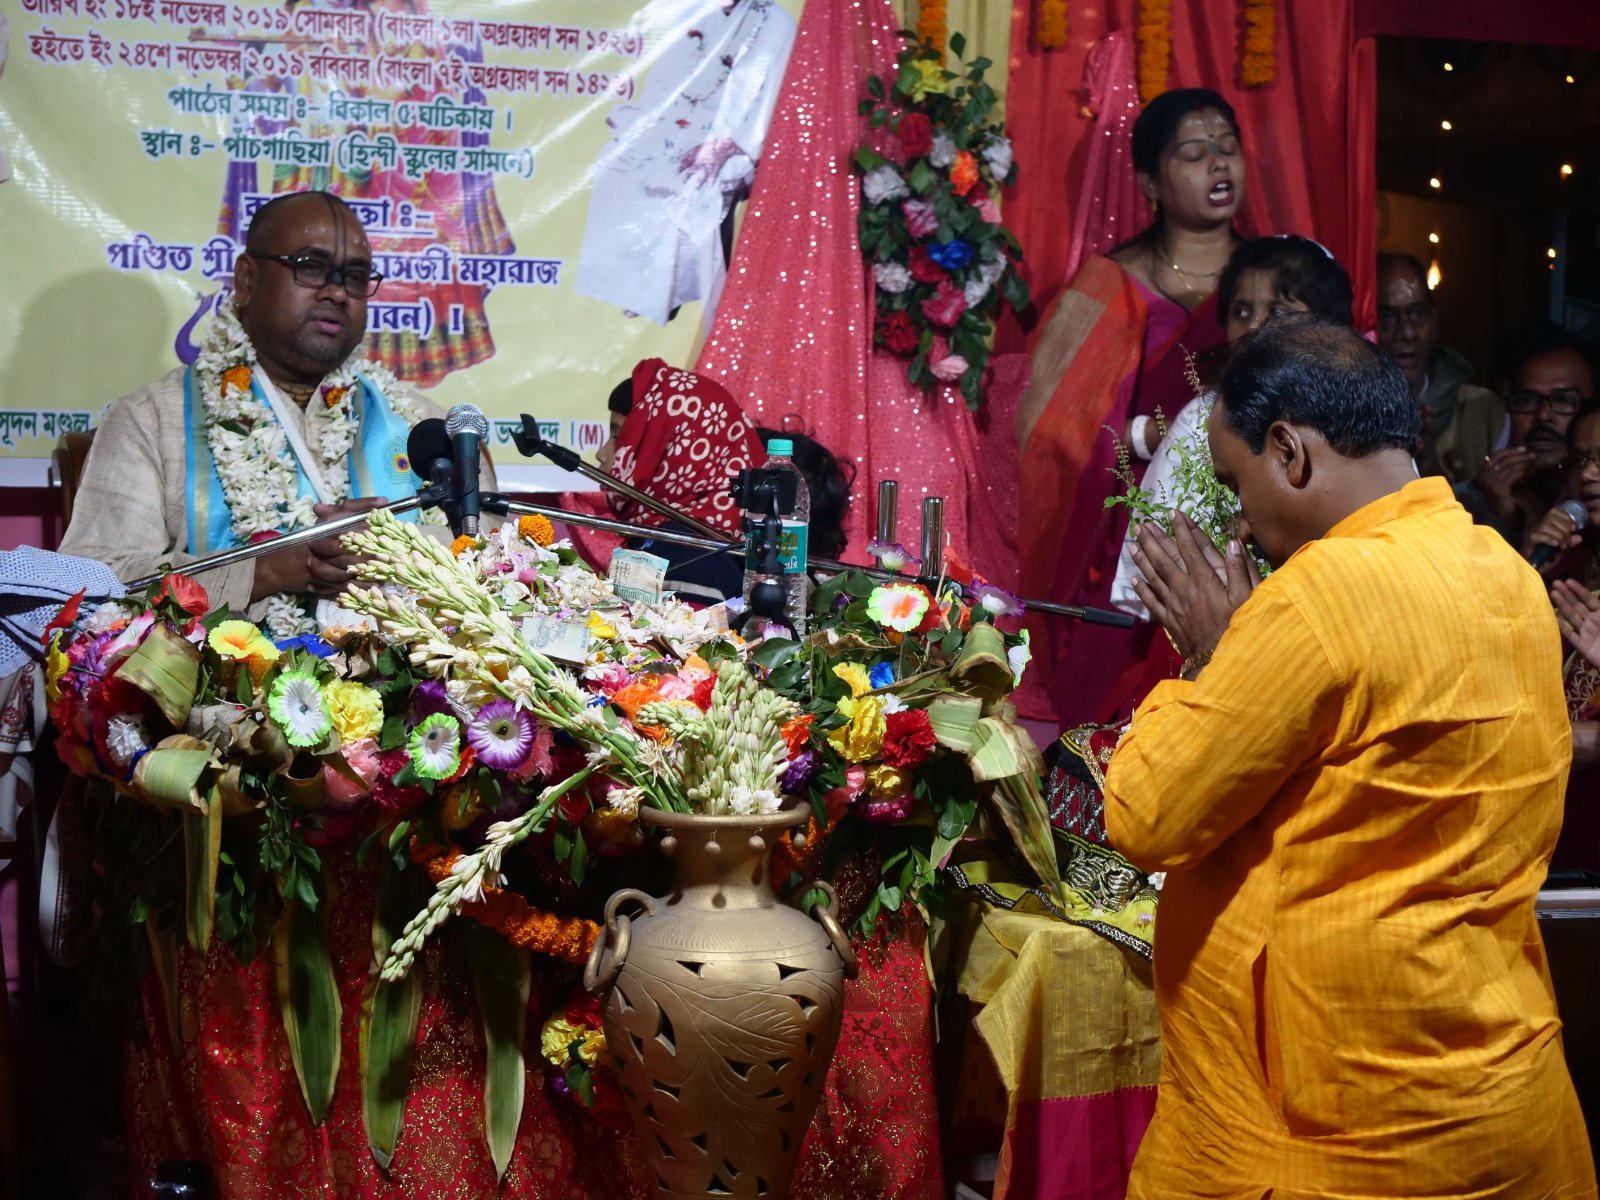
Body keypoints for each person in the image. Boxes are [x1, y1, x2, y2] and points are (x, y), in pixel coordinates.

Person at [1106, 314, 1595, 1196]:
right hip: (1496, 1089)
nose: (1241, 518)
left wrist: (1213, 655)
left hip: (1337, 1124)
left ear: (1289, 452)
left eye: (1236, 480)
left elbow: (1148, 814)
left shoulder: (1318, 593)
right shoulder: (1506, 574)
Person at [60, 191, 457, 640]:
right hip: (219, 683)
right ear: (247, 279)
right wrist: (273, 567)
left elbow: (494, 561)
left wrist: (398, 554)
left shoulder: (427, 429)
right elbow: (91, 587)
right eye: (310, 266)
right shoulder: (151, 420)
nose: (336, 292)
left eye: (354, 276)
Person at [1016, 87, 1243, 728]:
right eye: (1194, 153)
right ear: (1148, 181)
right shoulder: (1108, 282)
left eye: (1228, 147)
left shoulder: (1268, 278)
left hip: (1250, 503)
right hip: (1127, 525)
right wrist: (1149, 435)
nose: (1218, 164)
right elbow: (1050, 428)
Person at [1109, 234, 1354, 627]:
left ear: (1326, 324)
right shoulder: (1205, 418)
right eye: (1241, 311)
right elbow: (1156, 552)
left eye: (1277, 309)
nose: (1255, 326)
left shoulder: (1354, 410)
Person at [574, 0, 797, 329]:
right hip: (682, 124)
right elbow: (665, 83)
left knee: (694, 182)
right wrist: (648, 123)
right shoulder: (695, 13)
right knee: (615, 162)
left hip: (739, 143)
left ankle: (679, 295)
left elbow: (773, 103)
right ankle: (637, 286)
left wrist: (723, 146)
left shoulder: (776, 24)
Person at [1458, 324, 1596, 550]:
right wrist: (1500, 519)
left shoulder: (1593, 499)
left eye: (1564, 400)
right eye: (1526, 400)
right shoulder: (1464, 502)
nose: (1543, 415)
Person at [1375, 252, 1502, 481]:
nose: (1407, 332)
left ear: (1434, 323)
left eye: (1418, 313)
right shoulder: (1347, 416)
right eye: (1386, 317)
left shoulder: (1481, 409)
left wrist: (1430, 468)